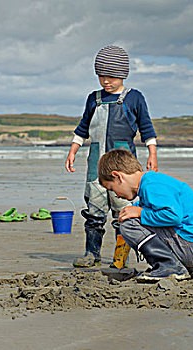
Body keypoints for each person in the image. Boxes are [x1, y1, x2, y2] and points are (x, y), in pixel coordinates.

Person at [65, 45, 158, 269]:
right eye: (101, 76)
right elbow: (82, 129)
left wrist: (152, 154)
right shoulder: (93, 99)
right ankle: (92, 253)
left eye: (112, 77)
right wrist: (73, 150)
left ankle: (120, 258)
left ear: (123, 75)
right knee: (94, 212)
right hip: (95, 167)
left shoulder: (134, 98)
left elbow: (147, 129)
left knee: (122, 213)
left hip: (123, 169)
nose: (106, 81)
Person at [98, 149, 193, 281]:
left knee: (129, 224)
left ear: (118, 176)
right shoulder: (150, 182)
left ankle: (168, 266)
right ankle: (179, 266)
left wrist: (140, 213)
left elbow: (173, 216)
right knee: (133, 218)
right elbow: (155, 208)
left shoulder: (152, 185)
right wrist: (135, 210)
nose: (117, 195)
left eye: (112, 189)